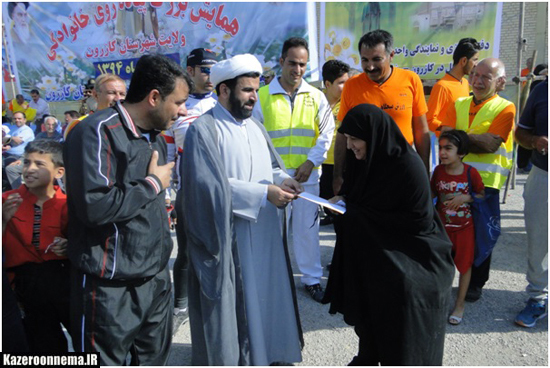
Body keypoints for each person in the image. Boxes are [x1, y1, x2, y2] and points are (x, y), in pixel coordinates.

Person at [63, 54, 190, 365]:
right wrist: (151, 184)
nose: (183, 110)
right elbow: (94, 207)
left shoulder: (157, 139)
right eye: (178, 102)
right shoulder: (95, 132)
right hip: (108, 292)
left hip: (156, 282)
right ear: (154, 97)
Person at [181, 53, 304, 365]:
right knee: (241, 303)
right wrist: (263, 194)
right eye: (247, 90)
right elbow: (207, 186)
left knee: (266, 296)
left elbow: (270, 169)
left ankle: (270, 354)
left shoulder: (255, 127)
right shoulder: (204, 130)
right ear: (224, 90)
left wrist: (284, 180)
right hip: (231, 235)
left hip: (265, 233)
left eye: (255, 89)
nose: (254, 96)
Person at [323, 104, 454, 365]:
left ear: (374, 136)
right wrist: (343, 201)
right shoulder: (363, 162)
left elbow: (417, 221)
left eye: (355, 139)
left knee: (402, 331)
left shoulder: (407, 166)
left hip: (416, 257)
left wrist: (356, 214)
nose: (350, 146)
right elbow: (359, 201)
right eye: (347, 138)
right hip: (379, 253)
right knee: (371, 322)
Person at [254, 37, 335, 302]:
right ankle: (271, 280)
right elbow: (254, 136)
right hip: (273, 179)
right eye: (292, 63)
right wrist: (275, 171)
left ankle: (311, 280)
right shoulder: (261, 96)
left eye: (302, 64)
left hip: (306, 179)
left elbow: (326, 133)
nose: (297, 69)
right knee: (270, 232)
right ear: (281, 62)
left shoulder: (316, 97)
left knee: (307, 232)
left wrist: (311, 161)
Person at [441, 58, 515, 302]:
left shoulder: (506, 108)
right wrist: (470, 137)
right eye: (475, 75)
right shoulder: (459, 102)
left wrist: (457, 137)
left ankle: (476, 283)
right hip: (453, 178)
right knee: (451, 228)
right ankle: (449, 276)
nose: (478, 81)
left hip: (485, 183)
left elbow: (491, 143)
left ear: (500, 82)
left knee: (481, 233)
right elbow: (445, 136)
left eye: (486, 77)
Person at [334, 29, 431, 198]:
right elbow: (343, 134)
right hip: (365, 173)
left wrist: (424, 172)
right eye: (365, 60)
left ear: (391, 55)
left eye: (376, 59)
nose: (370, 67)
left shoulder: (411, 80)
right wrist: (338, 175)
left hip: (402, 170)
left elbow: (421, 131)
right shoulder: (351, 86)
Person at [165, 48, 218, 333]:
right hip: (188, 192)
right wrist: (170, 196)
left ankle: (218, 305)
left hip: (221, 191)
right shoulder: (178, 105)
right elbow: (169, 153)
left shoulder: (223, 102)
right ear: (191, 70)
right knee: (185, 253)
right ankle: (180, 306)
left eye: (214, 69)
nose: (210, 75)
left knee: (220, 250)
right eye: (205, 69)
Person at [2, 140, 70, 352]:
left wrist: (69, 246)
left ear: (59, 172)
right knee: (44, 344)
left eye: (39, 164)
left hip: (63, 280)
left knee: (84, 337)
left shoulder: (68, 204)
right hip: (25, 285)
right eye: (26, 162)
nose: (29, 170)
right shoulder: (7, 201)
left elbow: (83, 243)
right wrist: (3, 221)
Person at [431, 129, 485, 325]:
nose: (443, 152)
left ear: (461, 152)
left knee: (464, 266)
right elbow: (431, 194)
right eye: (440, 148)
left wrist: (466, 197)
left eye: (448, 148)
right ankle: (439, 302)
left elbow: (482, 194)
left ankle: (459, 304)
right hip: (442, 229)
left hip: (464, 229)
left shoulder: (471, 173)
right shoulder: (437, 171)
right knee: (439, 266)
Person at [514, 77, 548, 328]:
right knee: (539, 239)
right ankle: (537, 297)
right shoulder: (541, 90)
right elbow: (520, 133)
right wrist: (535, 141)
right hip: (543, 175)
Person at [427, 38, 481, 133]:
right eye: (475, 60)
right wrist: (452, 131)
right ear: (464, 61)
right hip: (449, 145)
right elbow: (429, 121)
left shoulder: (465, 83)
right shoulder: (442, 86)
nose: (477, 65)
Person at [319, 59, 350, 227]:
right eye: (341, 83)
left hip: (341, 161)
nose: (346, 86)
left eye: (347, 81)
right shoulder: (317, 102)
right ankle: (330, 216)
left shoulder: (348, 103)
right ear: (327, 83)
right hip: (321, 161)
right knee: (325, 193)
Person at [63, 73, 126, 140]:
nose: (118, 98)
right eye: (111, 93)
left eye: (122, 94)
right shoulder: (79, 125)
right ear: (96, 95)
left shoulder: (131, 123)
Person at [3, 111, 35, 190]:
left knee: (10, 168)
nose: (17, 120)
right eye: (15, 118)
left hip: (21, 156)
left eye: (19, 118)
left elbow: (17, 141)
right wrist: (11, 138)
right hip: (6, 154)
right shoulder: (11, 128)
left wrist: (9, 138)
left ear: (25, 120)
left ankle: (19, 191)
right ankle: (7, 187)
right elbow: (4, 140)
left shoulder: (27, 130)